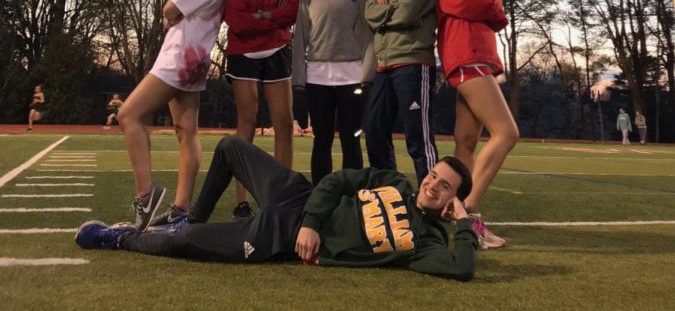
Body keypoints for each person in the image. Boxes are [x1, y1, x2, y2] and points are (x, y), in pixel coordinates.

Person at [75, 135, 478, 281]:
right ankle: (190, 212)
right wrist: (314, 222)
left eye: (445, 186)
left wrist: (462, 222)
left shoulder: (423, 243)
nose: (432, 183)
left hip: (280, 237)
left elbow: (460, 267)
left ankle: (122, 239)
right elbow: (337, 180)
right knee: (231, 147)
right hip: (297, 199)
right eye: (434, 175)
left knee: (188, 241)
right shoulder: (397, 182)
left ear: (451, 202)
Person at [117, 0, 238, 230]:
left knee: (128, 115)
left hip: (178, 61)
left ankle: (146, 196)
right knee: (186, 131)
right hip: (195, 63)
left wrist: (170, 16)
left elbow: (169, 10)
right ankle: (181, 209)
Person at [434, 0, 518, 251]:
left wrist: (490, 4)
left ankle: (462, 220)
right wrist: (493, 0)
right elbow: (482, 3)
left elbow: (495, 14)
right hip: (468, 61)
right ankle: (467, 213)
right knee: (507, 133)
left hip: (472, 61)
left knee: (466, 143)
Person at [225, 0, 300, 219]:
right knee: (247, 123)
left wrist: (261, 14)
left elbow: (293, 9)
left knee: (284, 123)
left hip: (278, 51)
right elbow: (238, 21)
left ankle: (282, 199)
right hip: (244, 53)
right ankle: (242, 202)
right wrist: (273, 15)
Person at [292, 0, 375, 184]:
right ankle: (321, 194)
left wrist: (368, 72)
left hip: (352, 76)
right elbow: (301, 35)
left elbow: (370, 32)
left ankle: (354, 196)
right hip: (317, 77)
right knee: (322, 141)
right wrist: (298, 77)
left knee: (351, 139)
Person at [363, 0, 438, 185]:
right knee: (374, 130)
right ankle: (390, 193)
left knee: (418, 136)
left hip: (414, 64)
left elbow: (406, 14)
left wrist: (386, 13)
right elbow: (369, 11)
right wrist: (393, 13)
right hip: (384, 66)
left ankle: (432, 205)